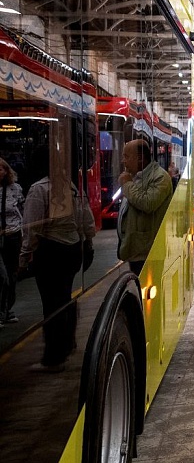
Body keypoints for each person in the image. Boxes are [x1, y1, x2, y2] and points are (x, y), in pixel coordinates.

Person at [20, 147, 96, 371]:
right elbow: (85, 218)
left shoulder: (38, 189)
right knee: (65, 297)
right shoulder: (71, 186)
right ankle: (68, 342)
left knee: (51, 304)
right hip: (72, 249)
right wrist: (87, 243)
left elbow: (31, 228)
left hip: (51, 251)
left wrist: (24, 257)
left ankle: (53, 357)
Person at [117, 139, 173, 275]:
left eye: (126, 156)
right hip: (136, 250)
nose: (123, 161)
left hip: (148, 252)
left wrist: (127, 185)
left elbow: (148, 203)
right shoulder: (135, 176)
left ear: (140, 158)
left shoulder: (160, 177)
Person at [0, 158, 24, 325]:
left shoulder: (15, 189)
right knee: (2, 277)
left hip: (13, 236)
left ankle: (7, 310)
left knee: (12, 274)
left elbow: (21, 211)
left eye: (1, 169)